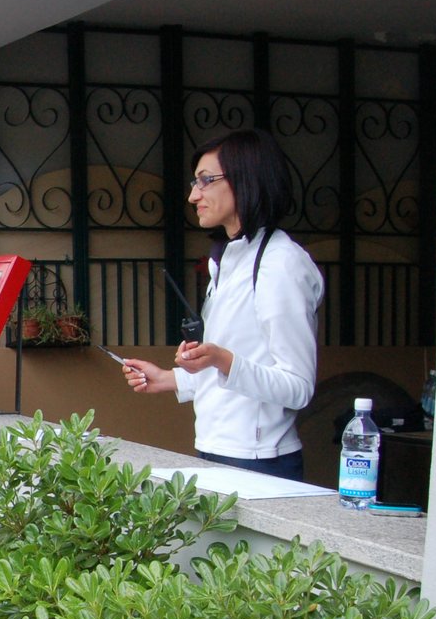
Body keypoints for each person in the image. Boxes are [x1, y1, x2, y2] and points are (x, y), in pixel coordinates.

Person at [120, 128, 324, 481]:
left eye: (205, 181)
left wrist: (222, 359)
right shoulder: (229, 260)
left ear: (246, 180)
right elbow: (235, 368)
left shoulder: (280, 265)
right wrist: (170, 379)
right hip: (215, 448)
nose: (193, 195)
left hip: (261, 460)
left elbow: (298, 387)